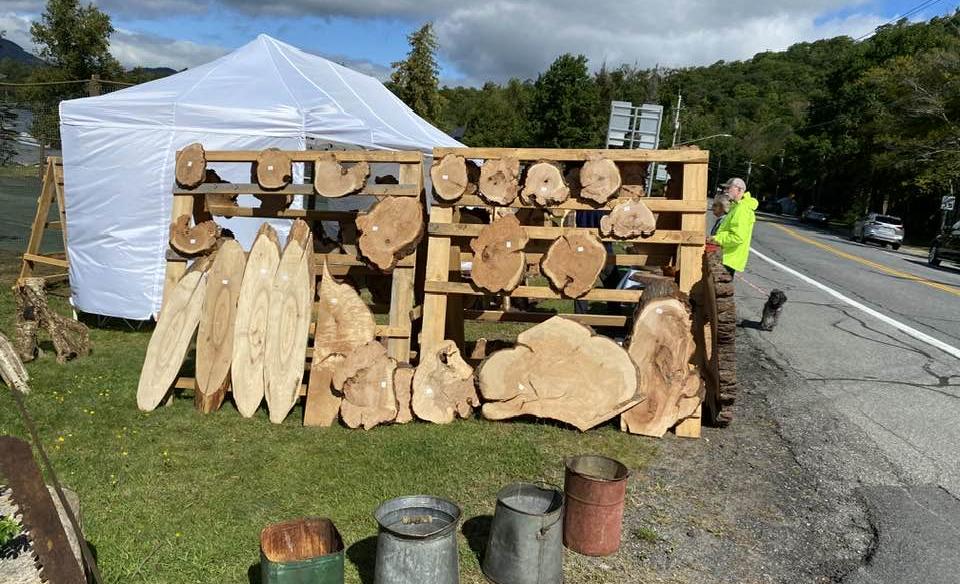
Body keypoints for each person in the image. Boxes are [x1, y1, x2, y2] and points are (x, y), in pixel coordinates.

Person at [708, 177, 757, 277]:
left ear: (739, 190)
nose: (725, 191)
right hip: (725, 256)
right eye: (725, 188)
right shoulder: (736, 206)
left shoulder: (742, 209)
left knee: (717, 290)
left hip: (728, 258)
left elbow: (737, 237)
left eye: (728, 188)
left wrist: (715, 239)